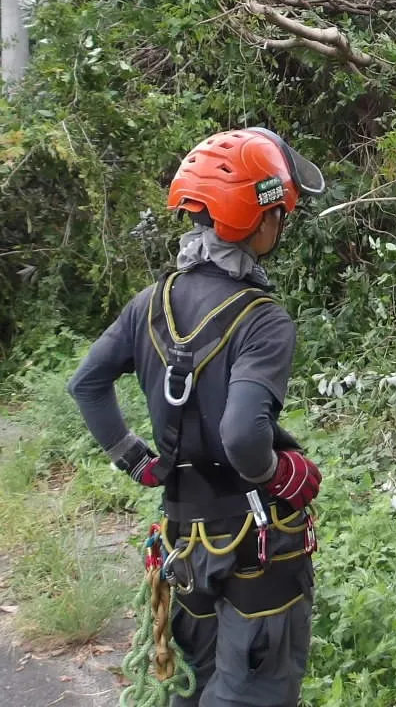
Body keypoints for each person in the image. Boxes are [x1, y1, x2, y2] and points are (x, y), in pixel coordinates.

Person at [68, 127, 326, 707]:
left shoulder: (150, 304)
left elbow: (87, 384)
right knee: (252, 689)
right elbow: (241, 434)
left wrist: (137, 461)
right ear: (257, 221)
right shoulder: (263, 320)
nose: (280, 225)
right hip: (257, 541)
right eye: (278, 214)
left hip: (186, 538)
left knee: (191, 679)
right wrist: (281, 473)